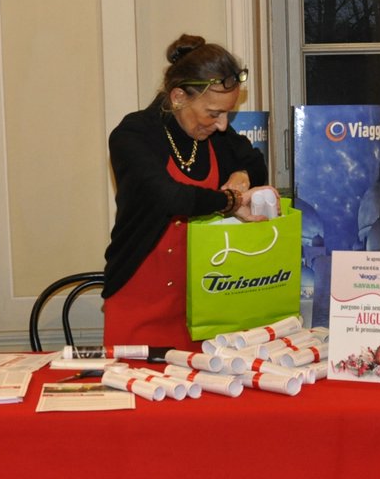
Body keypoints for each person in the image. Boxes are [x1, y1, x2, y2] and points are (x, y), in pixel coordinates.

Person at [103, 34, 269, 350]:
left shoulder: (215, 134)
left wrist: (242, 174)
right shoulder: (133, 134)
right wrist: (232, 201)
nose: (222, 126)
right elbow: (170, 198)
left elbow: (255, 161)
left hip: (206, 304)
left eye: (227, 115)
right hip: (139, 300)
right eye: (213, 113)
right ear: (179, 96)